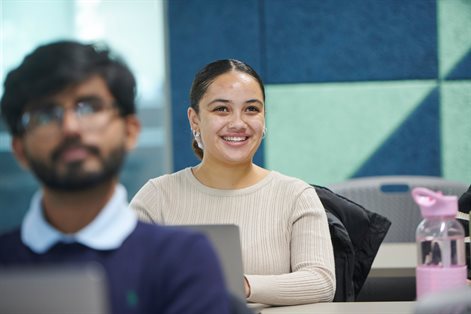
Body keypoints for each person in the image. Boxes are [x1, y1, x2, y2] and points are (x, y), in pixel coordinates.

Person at [0, 41, 231, 314]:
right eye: (46, 114)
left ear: (130, 130)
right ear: (20, 149)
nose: (70, 127)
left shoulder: (183, 259)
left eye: (89, 107)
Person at [130, 59, 336, 306]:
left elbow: (321, 282)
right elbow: (125, 279)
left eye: (251, 109)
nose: (238, 123)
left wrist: (241, 285)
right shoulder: (157, 197)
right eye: (221, 109)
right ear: (194, 120)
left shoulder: (295, 195)